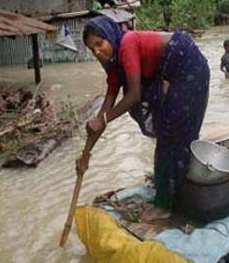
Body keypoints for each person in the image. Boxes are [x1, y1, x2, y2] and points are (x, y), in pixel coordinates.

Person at [78, 15, 210, 221]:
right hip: (173, 72)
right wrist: (86, 154)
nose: (97, 51)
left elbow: (134, 95)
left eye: (99, 43)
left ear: (110, 37)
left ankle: (166, 205)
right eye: (91, 49)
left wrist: (102, 120)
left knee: (173, 133)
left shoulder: (127, 43)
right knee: (170, 134)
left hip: (188, 64)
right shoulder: (115, 68)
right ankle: (171, 188)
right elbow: (104, 112)